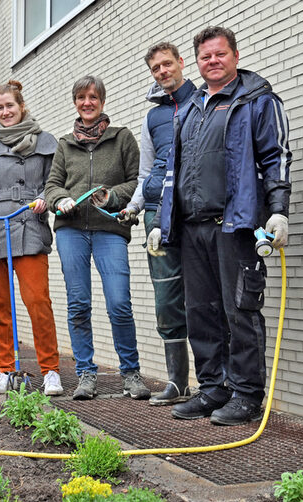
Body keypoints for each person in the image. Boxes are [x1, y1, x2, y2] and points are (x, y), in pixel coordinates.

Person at [149, 26, 292, 425]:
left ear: (235, 55)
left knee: (240, 311)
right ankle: (213, 389)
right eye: (205, 57)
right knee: (201, 313)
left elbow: (275, 158)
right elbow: (173, 170)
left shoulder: (257, 101)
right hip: (193, 229)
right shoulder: (193, 107)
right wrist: (164, 221)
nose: (212, 62)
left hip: (236, 227)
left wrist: (278, 210)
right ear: (197, 62)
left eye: (219, 54)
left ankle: (247, 396)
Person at [44, 75, 150, 401]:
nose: (87, 102)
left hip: (109, 231)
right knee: (78, 304)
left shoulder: (122, 139)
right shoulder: (64, 144)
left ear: (102, 101)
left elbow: (138, 181)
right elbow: (52, 185)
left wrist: (112, 196)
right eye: (81, 97)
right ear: (75, 102)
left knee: (119, 303)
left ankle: (130, 374)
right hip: (72, 231)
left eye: (93, 97)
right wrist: (60, 198)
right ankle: (86, 375)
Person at [0, 80, 63, 396]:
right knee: (0, 304)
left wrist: (45, 199)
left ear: (22, 107)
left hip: (30, 228)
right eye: (0, 107)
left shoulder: (46, 142)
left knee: (38, 301)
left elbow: (54, 183)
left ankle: (50, 370)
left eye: (10, 105)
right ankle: (6, 369)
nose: (5, 112)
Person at [118, 42, 196, 406]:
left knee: (205, 295)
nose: (163, 72)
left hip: (193, 212)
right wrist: (134, 207)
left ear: (181, 63)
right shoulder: (152, 117)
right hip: (155, 214)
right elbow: (146, 171)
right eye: (155, 68)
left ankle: (218, 382)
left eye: (167, 64)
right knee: (167, 298)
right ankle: (178, 383)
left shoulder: (203, 102)